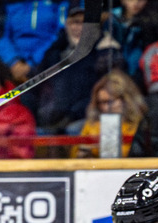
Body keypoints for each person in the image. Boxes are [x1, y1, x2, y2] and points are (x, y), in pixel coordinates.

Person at [29, 0, 125, 135]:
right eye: (75, 22)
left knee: (73, 131)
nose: (80, 28)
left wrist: (71, 114)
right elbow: (34, 90)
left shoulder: (105, 53)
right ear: (67, 24)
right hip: (50, 123)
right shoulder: (53, 54)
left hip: (86, 121)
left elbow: (112, 93)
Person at [72, 69, 147, 158]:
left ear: (125, 100)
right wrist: (84, 153)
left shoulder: (140, 124)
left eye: (109, 102)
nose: (105, 108)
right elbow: (75, 154)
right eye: (100, 103)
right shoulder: (92, 124)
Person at [0, 0, 66, 84]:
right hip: (12, 64)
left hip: (45, 62)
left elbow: (60, 34)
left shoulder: (58, 3)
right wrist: (13, 61)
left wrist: (32, 62)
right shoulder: (9, 3)